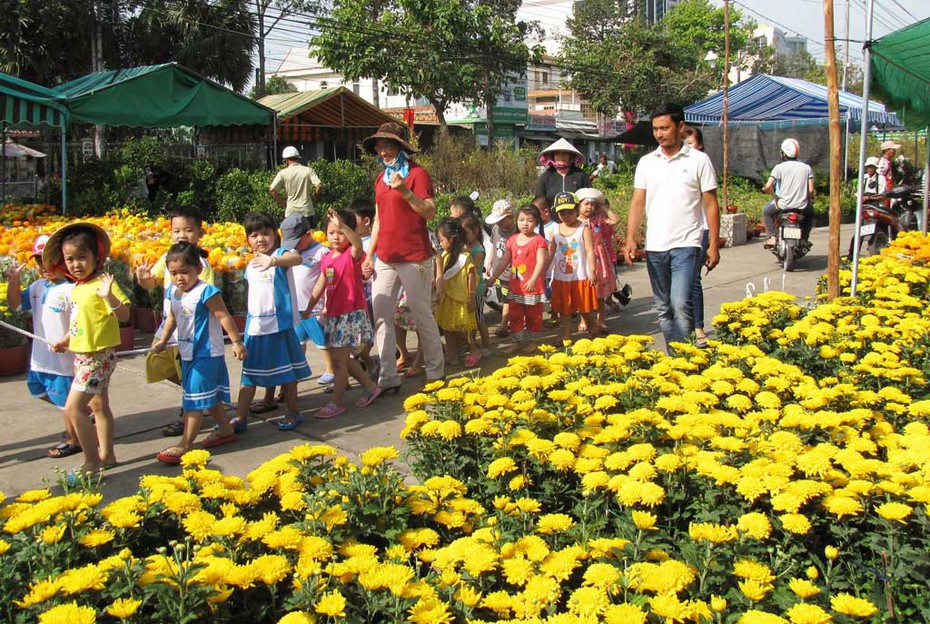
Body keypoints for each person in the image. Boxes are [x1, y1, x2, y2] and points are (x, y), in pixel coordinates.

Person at [625, 103, 720, 351]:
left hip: (687, 244)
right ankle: (676, 357)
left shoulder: (699, 160)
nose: (659, 134)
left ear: (680, 127)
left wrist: (713, 244)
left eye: (664, 128)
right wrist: (630, 238)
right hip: (656, 245)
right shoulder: (647, 162)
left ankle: (686, 359)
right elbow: (637, 203)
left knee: (680, 303)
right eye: (656, 129)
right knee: (663, 308)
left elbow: (711, 205)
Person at [44, 223, 132, 481]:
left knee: (73, 409)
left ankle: (91, 462)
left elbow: (124, 315)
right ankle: (108, 456)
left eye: (82, 257)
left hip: (97, 358)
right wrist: (64, 340)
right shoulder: (78, 287)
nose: (76, 264)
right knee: (99, 406)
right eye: (70, 259)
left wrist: (109, 297)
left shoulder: (103, 283)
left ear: (96, 257)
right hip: (82, 355)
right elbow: (81, 322)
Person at [362, 122, 444, 388]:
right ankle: (387, 376)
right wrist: (368, 256)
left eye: (388, 146)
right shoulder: (380, 178)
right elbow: (377, 220)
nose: (383, 151)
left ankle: (435, 372)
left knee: (421, 314)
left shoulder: (418, 174)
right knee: (381, 314)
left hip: (415, 256)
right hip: (385, 257)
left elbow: (430, 212)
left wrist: (406, 192)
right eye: (380, 147)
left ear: (400, 147)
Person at [152, 242, 247, 464]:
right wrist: (163, 341)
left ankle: (185, 443)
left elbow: (224, 316)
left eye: (185, 272)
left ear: (198, 268)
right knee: (208, 395)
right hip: (186, 352)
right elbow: (172, 319)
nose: (179, 278)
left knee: (193, 401)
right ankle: (225, 429)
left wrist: (236, 342)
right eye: (174, 273)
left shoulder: (206, 291)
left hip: (207, 353)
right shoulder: (173, 293)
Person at [135, 206, 216, 436]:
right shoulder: (167, 257)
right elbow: (152, 282)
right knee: (157, 364)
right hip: (168, 326)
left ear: (200, 233)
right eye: (176, 230)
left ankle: (189, 410)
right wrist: (143, 279)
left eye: (189, 230)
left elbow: (208, 298)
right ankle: (203, 396)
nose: (182, 235)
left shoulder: (201, 264)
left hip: (191, 330)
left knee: (187, 372)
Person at [6, 235, 85, 458]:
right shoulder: (37, 286)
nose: (45, 266)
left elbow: (81, 322)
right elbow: (15, 304)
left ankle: (74, 439)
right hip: (40, 358)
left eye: (50, 259)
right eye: (39, 260)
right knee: (38, 390)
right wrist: (14, 281)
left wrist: (66, 340)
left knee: (63, 400)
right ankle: (81, 415)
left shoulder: (73, 289)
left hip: (62, 360)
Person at [231, 212, 311, 433]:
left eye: (265, 234)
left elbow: (297, 259)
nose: (260, 239)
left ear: (275, 236)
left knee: (288, 374)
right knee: (249, 375)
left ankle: (293, 412)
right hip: (255, 328)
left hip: (280, 326)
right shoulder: (250, 264)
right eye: (254, 235)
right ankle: (239, 418)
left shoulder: (280, 255)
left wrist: (274, 260)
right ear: (248, 240)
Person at [302, 210, 385, 419]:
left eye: (340, 232)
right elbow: (321, 284)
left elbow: (357, 243)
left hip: (350, 313)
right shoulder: (327, 258)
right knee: (343, 359)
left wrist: (344, 225)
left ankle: (336, 402)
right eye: (331, 232)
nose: (336, 237)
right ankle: (370, 386)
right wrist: (309, 307)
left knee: (339, 361)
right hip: (334, 315)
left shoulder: (352, 254)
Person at [250, 213, 334, 411]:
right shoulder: (284, 253)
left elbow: (329, 277)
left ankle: (332, 373)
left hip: (315, 308)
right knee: (298, 345)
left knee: (323, 342)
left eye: (297, 240)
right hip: (295, 309)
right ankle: (288, 388)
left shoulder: (321, 251)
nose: (294, 245)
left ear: (308, 234)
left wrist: (327, 303)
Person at [488, 204, 548, 354]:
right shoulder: (512, 240)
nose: (525, 224)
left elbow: (541, 262)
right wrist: (493, 276)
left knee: (533, 315)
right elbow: (504, 261)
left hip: (532, 287)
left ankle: (533, 342)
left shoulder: (538, 241)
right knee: (515, 315)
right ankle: (517, 341)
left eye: (529, 220)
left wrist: (533, 279)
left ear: (536, 222)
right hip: (516, 286)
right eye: (521, 220)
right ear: (516, 220)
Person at [549, 192, 599, 343]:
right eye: (562, 212)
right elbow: (550, 253)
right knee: (564, 310)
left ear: (577, 210)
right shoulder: (555, 230)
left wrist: (592, 271)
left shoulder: (584, 229)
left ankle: (593, 328)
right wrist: (543, 271)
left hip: (581, 276)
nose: (566, 216)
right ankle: (565, 335)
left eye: (570, 212)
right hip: (562, 277)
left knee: (585, 307)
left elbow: (590, 251)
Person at [434, 218, 480, 367]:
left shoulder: (465, 257)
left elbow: (471, 277)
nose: (440, 244)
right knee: (447, 328)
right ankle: (452, 353)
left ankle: (473, 350)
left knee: (464, 330)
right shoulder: (445, 256)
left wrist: (472, 297)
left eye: (441, 240)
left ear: (452, 239)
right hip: (448, 299)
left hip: (462, 299)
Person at [576, 187, 616, 334]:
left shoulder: (597, 219)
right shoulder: (575, 222)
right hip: (583, 258)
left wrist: (603, 208)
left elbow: (614, 220)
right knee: (584, 291)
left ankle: (601, 320)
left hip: (599, 258)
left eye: (593, 204)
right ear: (578, 205)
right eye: (586, 204)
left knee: (600, 291)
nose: (590, 207)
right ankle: (584, 319)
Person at [683, 127, 710, 347]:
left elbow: (711, 205)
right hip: (673, 233)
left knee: (692, 280)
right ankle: (682, 326)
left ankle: (698, 326)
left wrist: (713, 244)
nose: (685, 147)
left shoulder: (701, 164)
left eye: (689, 143)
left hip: (699, 230)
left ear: (699, 145)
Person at [762, 138, 814, 247]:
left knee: (766, 212)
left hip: (783, 205)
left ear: (783, 153)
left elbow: (768, 186)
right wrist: (807, 200)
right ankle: (804, 238)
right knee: (810, 214)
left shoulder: (779, 168)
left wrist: (775, 197)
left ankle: (772, 237)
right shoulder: (807, 168)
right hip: (801, 206)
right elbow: (811, 190)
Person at [460, 212, 491, 357]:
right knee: (470, 321)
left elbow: (473, 270)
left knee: (479, 320)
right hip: (465, 288)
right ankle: (472, 344)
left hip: (476, 290)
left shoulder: (478, 249)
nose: (463, 236)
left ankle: (487, 346)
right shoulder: (464, 246)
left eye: (466, 233)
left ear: (475, 231)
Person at [485, 199, 516, 338]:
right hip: (498, 270)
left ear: (511, 217)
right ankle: (510, 321)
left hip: (512, 271)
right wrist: (489, 262)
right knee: (504, 298)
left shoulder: (517, 231)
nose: (499, 223)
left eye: (502, 220)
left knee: (508, 299)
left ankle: (504, 324)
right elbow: (493, 245)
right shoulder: (496, 229)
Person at [535, 138, 593, 207]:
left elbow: (589, 198)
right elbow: (539, 202)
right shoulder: (545, 177)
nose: (561, 156)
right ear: (552, 156)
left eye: (565, 153)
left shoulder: (581, 175)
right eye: (557, 153)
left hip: (576, 217)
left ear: (571, 156)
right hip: (552, 217)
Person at [269, 146, 323, 218]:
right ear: (298, 158)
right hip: (307, 210)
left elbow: (272, 189)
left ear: (286, 160)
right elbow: (319, 185)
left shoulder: (283, 173)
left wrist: (282, 202)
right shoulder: (308, 170)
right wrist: (315, 198)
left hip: (291, 211)